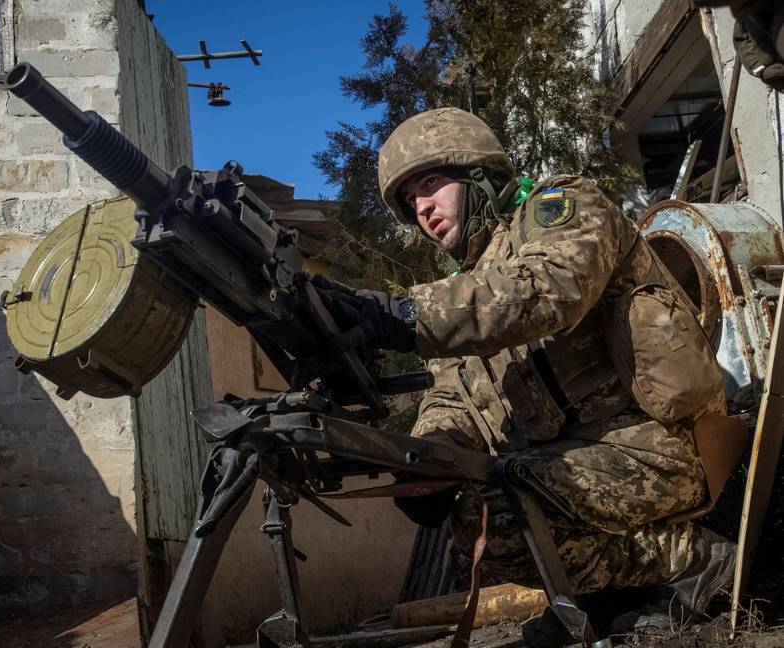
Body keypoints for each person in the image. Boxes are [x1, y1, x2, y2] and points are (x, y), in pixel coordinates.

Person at [314, 107, 741, 635]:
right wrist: (421, 461)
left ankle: (698, 560)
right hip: (578, 459)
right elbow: (452, 395)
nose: (422, 207)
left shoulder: (562, 206)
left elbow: (549, 289)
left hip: (661, 446)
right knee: (476, 523)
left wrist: (402, 314)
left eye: (429, 183)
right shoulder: (470, 285)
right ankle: (607, 600)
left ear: (478, 173)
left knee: (499, 513)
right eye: (408, 201)